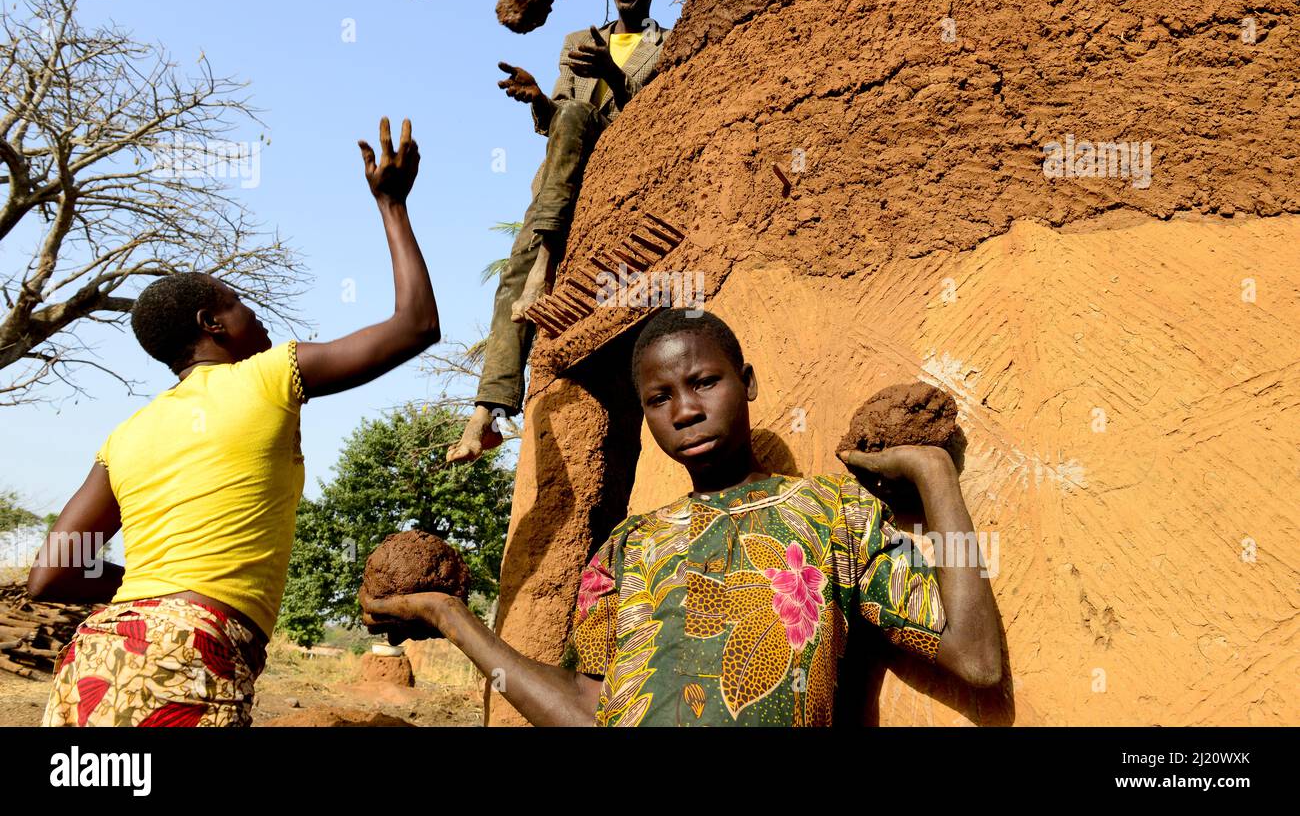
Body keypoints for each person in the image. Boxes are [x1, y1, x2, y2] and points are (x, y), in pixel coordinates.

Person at [363, 309, 1003, 726]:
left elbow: (976, 660)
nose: (685, 410)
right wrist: (448, 615)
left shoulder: (832, 513)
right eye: (659, 398)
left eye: (704, 382)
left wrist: (934, 475)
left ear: (747, 382)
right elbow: (590, 709)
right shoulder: (626, 547)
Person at [29, 117, 438, 727]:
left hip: (93, 662)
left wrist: (151, 590)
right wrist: (392, 205)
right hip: (188, 658)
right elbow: (416, 327)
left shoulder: (127, 434)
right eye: (243, 305)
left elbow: (50, 572)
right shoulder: (270, 374)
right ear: (211, 323)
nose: (261, 320)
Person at [447, 0, 670, 465]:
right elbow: (556, 122)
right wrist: (537, 98)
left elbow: (657, 117)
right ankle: (487, 410)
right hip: (562, 176)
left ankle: (545, 261)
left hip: (617, 162)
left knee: (572, 122)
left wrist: (613, 79)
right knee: (512, 274)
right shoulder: (578, 40)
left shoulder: (668, 45)